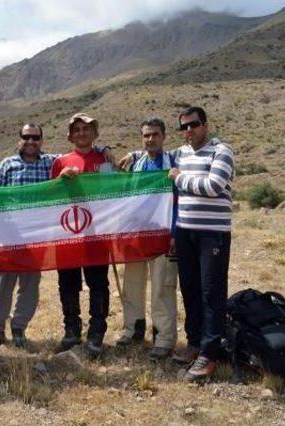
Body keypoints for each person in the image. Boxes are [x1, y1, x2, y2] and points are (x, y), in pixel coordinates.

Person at [0, 123, 114, 352]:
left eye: (36, 138)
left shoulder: (50, 162)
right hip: (12, 236)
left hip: (48, 237)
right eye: (27, 137)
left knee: (32, 287)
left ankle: (21, 328)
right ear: (20, 139)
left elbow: (87, 155)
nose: (31, 141)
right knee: (5, 286)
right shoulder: (10, 164)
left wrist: (103, 148)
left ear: (42, 141)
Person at [169, 107, 234, 381]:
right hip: (185, 232)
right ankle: (194, 343)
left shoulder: (222, 151)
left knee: (211, 293)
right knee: (190, 289)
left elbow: (214, 186)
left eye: (193, 125)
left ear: (205, 125)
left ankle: (209, 354)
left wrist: (179, 178)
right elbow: (157, 157)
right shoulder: (181, 153)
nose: (188, 131)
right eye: (183, 127)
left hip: (212, 234)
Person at [50, 113, 112, 358]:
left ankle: (97, 331)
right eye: (77, 130)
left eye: (86, 129)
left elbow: (111, 190)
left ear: (94, 133)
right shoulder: (60, 162)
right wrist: (60, 180)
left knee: (98, 283)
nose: (82, 133)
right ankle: (72, 329)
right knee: (68, 283)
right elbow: (50, 196)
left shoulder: (104, 159)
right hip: (67, 233)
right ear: (70, 135)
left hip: (97, 232)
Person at [116, 117, 178, 361]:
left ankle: (164, 337)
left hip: (163, 236)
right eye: (146, 136)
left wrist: (175, 232)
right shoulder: (135, 164)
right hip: (137, 235)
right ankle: (132, 329)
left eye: (155, 135)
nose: (150, 139)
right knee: (132, 286)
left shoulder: (174, 162)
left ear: (163, 136)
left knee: (163, 287)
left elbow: (179, 201)